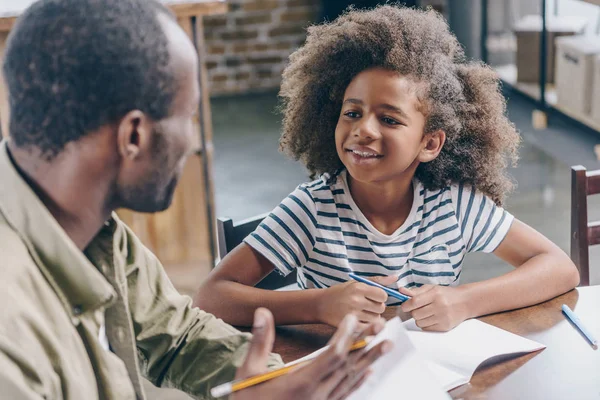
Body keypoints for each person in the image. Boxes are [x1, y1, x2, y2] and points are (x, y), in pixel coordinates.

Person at [0, 0, 389, 399]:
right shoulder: (10, 336)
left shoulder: (87, 226)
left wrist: (272, 381)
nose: (193, 141)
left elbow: (178, 336)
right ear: (134, 136)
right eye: (188, 116)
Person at [195, 5, 580, 333]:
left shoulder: (455, 205)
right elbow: (212, 296)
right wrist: (317, 305)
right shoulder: (312, 210)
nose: (363, 130)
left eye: (390, 120)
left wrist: (463, 301)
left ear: (429, 144)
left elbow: (559, 268)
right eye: (352, 113)